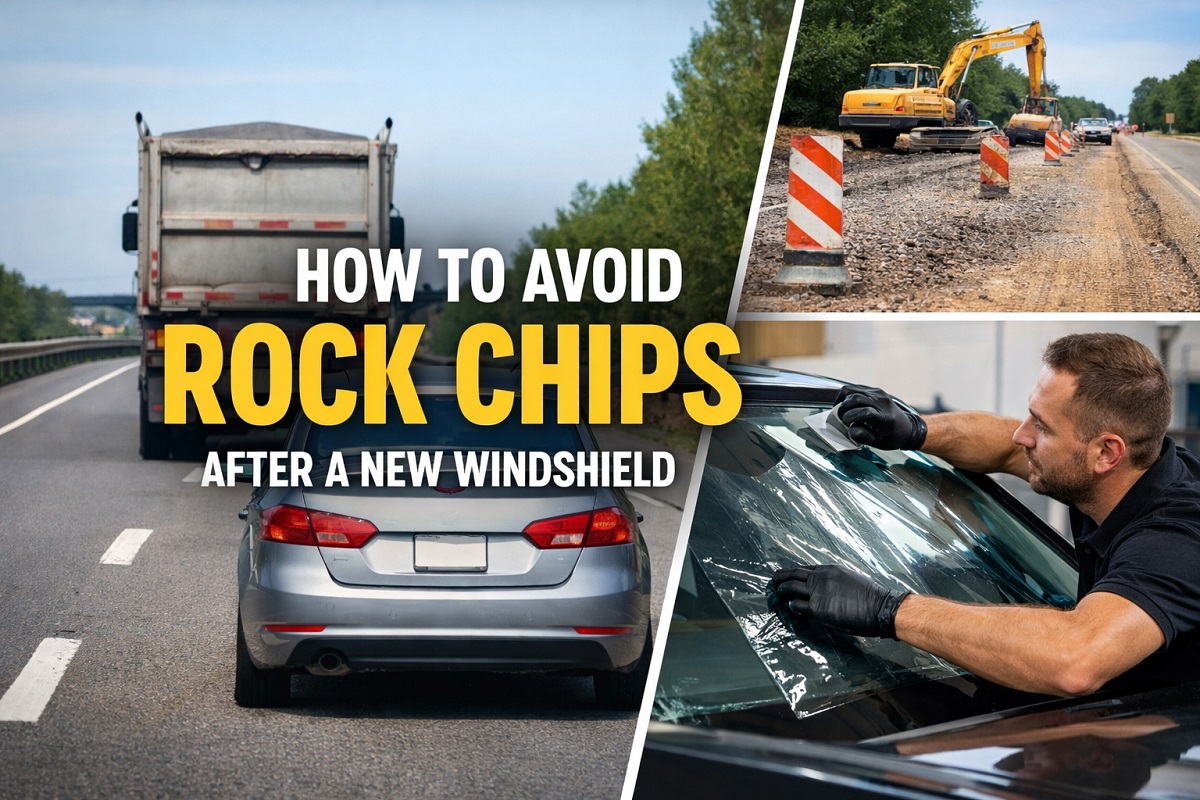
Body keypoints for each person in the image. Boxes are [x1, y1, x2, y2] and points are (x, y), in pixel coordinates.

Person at [773, 332, 1200, 697]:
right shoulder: (1125, 472)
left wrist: (890, 610)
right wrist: (917, 430)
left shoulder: (1175, 538)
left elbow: (1074, 660)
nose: (1021, 435)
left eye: (1042, 427)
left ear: (1107, 452)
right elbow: (1005, 446)